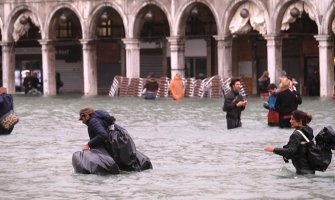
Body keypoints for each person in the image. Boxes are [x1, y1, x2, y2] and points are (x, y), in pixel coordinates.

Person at [264, 110, 315, 175]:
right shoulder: (308, 130)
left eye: (292, 119)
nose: (290, 121)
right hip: (310, 169)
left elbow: (290, 151)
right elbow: (300, 150)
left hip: (302, 172)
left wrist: (273, 149)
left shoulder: (296, 134)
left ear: (300, 121)